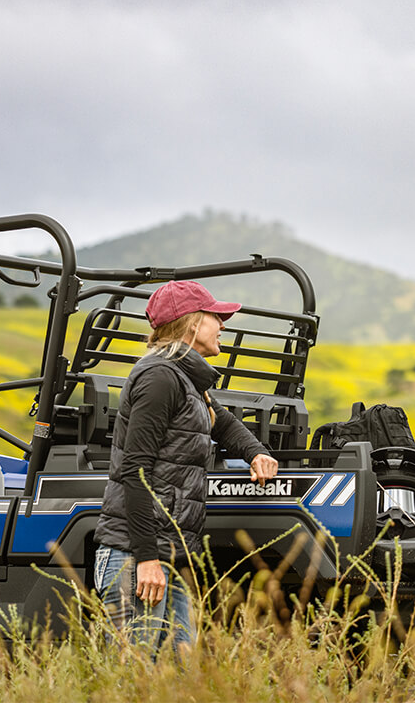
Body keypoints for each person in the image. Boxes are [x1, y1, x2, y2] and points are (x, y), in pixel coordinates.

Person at [92, 280, 280, 653]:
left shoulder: (187, 380)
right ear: (193, 323)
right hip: (137, 556)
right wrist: (147, 558)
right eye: (216, 317)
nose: (222, 326)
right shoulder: (160, 377)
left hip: (170, 554)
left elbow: (221, 422)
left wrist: (256, 452)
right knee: (134, 679)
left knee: (177, 673)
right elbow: (136, 471)